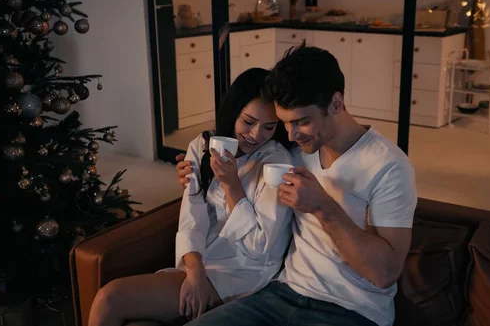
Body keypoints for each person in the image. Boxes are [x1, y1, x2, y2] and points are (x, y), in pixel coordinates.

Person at [176, 43, 418, 326]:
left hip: (351, 310)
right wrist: (195, 171)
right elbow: (243, 165)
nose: (290, 135)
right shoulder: (295, 151)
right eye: (284, 123)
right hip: (280, 294)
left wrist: (323, 207)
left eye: (301, 122)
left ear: (336, 104)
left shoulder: (389, 166)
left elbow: (385, 272)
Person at [87, 68, 295, 326]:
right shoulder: (202, 145)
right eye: (248, 122)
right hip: (197, 262)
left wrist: (232, 186)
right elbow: (191, 214)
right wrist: (194, 271)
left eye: (268, 127)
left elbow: (260, 246)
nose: (255, 135)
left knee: (110, 299)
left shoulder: (277, 163)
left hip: (242, 274)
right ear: (233, 111)